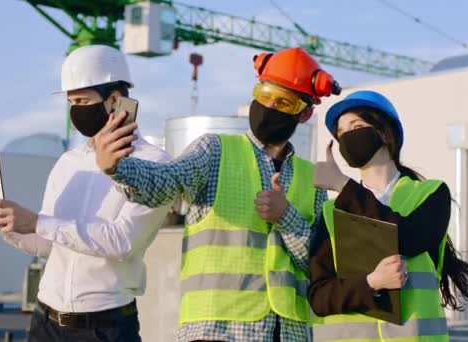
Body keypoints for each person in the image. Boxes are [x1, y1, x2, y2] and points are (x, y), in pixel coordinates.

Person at [93, 47, 341, 341]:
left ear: (305, 114)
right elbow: (166, 182)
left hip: (289, 332)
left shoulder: (310, 177)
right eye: (264, 93)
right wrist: (118, 168)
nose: (270, 105)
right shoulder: (213, 151)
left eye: (284, 102)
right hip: (216, 330)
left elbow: (317, 264)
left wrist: (287, 217)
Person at [0, 45, 171, 342]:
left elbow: (122, 242)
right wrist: (9, 225)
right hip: (45, 324)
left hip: (105, 328)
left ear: (115, 100)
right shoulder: (68, 162)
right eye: (70, 102)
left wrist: (38, 221)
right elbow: (51, 244)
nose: (75, 111)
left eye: (82, 101)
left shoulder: (155, 164)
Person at [310, 90, 468, 341]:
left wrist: (343, 185)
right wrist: (370, 283)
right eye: (341, 133)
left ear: (383, 132)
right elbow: (319, 297)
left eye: (356, 125)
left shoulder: (429, 194)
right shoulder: (330, 212)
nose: (347, 136)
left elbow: (407, 238)